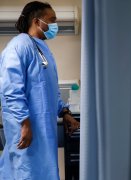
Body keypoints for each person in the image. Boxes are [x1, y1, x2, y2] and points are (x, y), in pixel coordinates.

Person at [0, 1, 80, 179]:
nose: (55, 25)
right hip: (26, 130)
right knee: (24, 171)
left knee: (43, 172)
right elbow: (11, 90)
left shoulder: (42, 50)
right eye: (51, 20)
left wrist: (64, 112)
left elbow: (48, 90)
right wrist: (24, 123)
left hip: (42, 130)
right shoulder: (18, 46)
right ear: (36, 21)